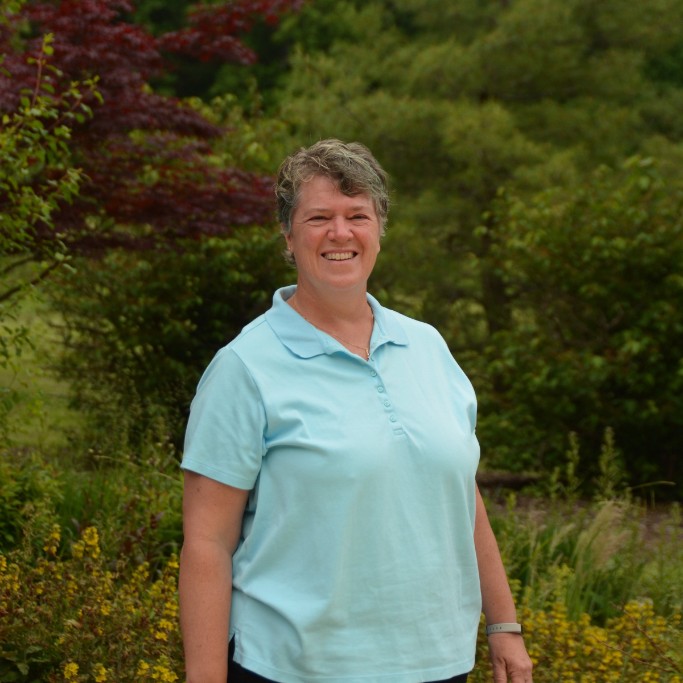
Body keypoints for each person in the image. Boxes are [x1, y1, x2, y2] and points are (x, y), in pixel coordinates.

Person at [178, 139, 534, 683]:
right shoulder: (244, 368)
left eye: (357, 216)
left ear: (379, 229)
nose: (340, 233)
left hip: (438, 664)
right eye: (319, 217)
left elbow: (458, 494)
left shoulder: (428, 347)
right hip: (296, 668)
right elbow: (207, 544)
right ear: (288, 235)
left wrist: (503, 624)